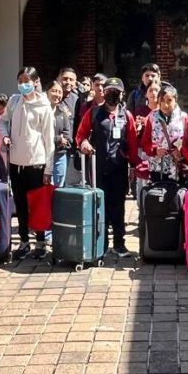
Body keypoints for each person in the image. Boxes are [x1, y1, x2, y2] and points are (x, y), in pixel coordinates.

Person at [76, 77, 140, 258]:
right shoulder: (93, 113)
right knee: (99, 206)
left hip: (119, 167)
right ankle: (100, 244)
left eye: (116, 92)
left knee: (118, 207)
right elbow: (80, 135)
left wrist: (134, 166)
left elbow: (133, 142)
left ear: (122, 94)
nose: (112, 95)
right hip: (97, 167)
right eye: (109, 91)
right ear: (104, 92)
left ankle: (119, 244)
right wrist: (84, 144)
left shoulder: (127, 116)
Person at [0, 67, 55, 260]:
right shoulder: (14, 101)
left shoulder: (43, 105)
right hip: (16, 163)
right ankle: (24, 241)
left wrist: (49, 168)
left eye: (27, 80)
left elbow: (49, 139)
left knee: (38, 205)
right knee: (21, 204)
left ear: (35, 81)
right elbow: (3, 122)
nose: (23, 84)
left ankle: (41, 242)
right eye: (20, 80)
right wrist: (5, 136)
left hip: (37, 163)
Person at [47, 80, 73, 188]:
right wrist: (58, 139)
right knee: (46, 186)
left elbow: (67, 134)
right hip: (44, 155)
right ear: (47, 92)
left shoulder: (63, 112)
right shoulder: (41, 112)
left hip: (60, 154)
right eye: (54, 91)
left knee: (59, 187)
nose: (57, 94)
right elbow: (39, 134)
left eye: (59, 92)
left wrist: (64, 140)